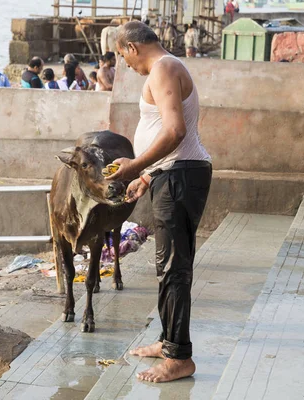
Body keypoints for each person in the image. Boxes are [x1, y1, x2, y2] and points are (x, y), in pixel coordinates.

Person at [107, 21, 211, 383]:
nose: (128, 66)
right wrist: (147, 176)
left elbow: (176, 131)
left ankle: (179, 358)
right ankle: (169, 341)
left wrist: (134, 165)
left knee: (174, 268)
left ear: (132, 47)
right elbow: (176, 140)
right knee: (168, 265)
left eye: (124, 56)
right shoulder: (166, 68)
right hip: (174, 173)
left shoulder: (164, 68)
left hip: (182, 177)